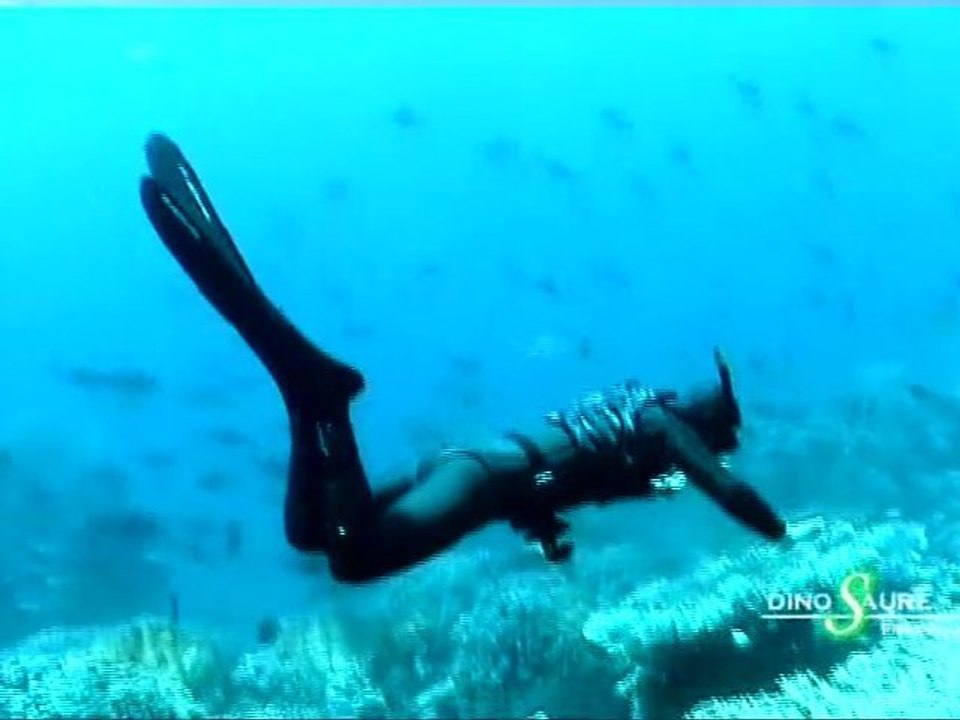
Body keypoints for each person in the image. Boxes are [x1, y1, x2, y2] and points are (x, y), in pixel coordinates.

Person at [139, 134, 787, 584]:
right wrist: (783, 537)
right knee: (355, 559)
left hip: (466, 463)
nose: (719, 441)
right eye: (719, 427)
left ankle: (305, 397)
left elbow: (557, 474)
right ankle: (320, 400)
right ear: (699, 419)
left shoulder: (627, 414)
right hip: (479, 481)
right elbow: (727, 490)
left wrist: (543, 530)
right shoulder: (658, 428)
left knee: (313, 538)